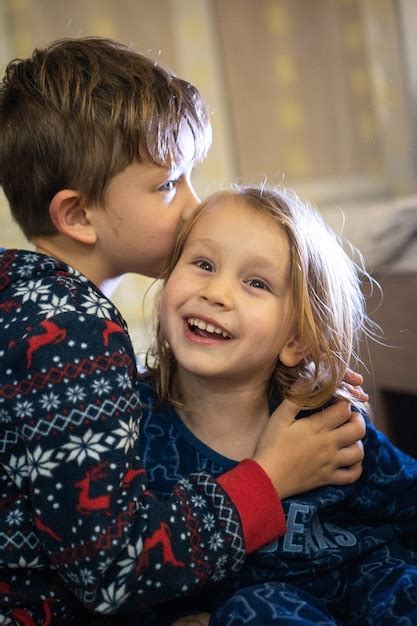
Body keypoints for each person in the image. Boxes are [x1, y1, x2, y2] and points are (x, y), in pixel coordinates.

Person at [0, 38, 366, 624]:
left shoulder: (30, 305)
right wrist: (269, 478)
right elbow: (114, 570)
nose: (195, 206)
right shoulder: (70, 329)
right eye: (169, 183)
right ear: (77, 215)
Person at [138, 185, 417, 626]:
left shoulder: (326, 419)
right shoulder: (129, 426)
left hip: (373, 583)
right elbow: (123, 563)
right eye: (204, 264)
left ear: (296, 340)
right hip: (260, 610)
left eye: (256, 283)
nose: (217, 292)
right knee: (257, 608)